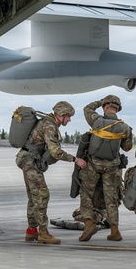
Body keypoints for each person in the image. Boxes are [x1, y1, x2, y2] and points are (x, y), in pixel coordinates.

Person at [16, 101, 85, 244]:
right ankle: (43, 233)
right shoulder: (49, 126)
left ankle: (31, 231)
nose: (69, 119)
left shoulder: (47, 122)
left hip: (27, 160)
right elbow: (55, 151)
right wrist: (75, 159)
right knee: (42, 195)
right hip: (30, 162)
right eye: (68, 116)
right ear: (60, 115)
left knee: (34, 197)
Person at [78, 94, 133, 242]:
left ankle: (89, 223)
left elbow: (87, 108)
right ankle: (115, 230)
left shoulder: (95, 120)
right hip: (112, 167)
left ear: (105, 107)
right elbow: (127, 148)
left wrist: (100, 101)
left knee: (86, 194)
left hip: (93, 166)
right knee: (111, 198)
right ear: (118, 109)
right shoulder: (124, 127)